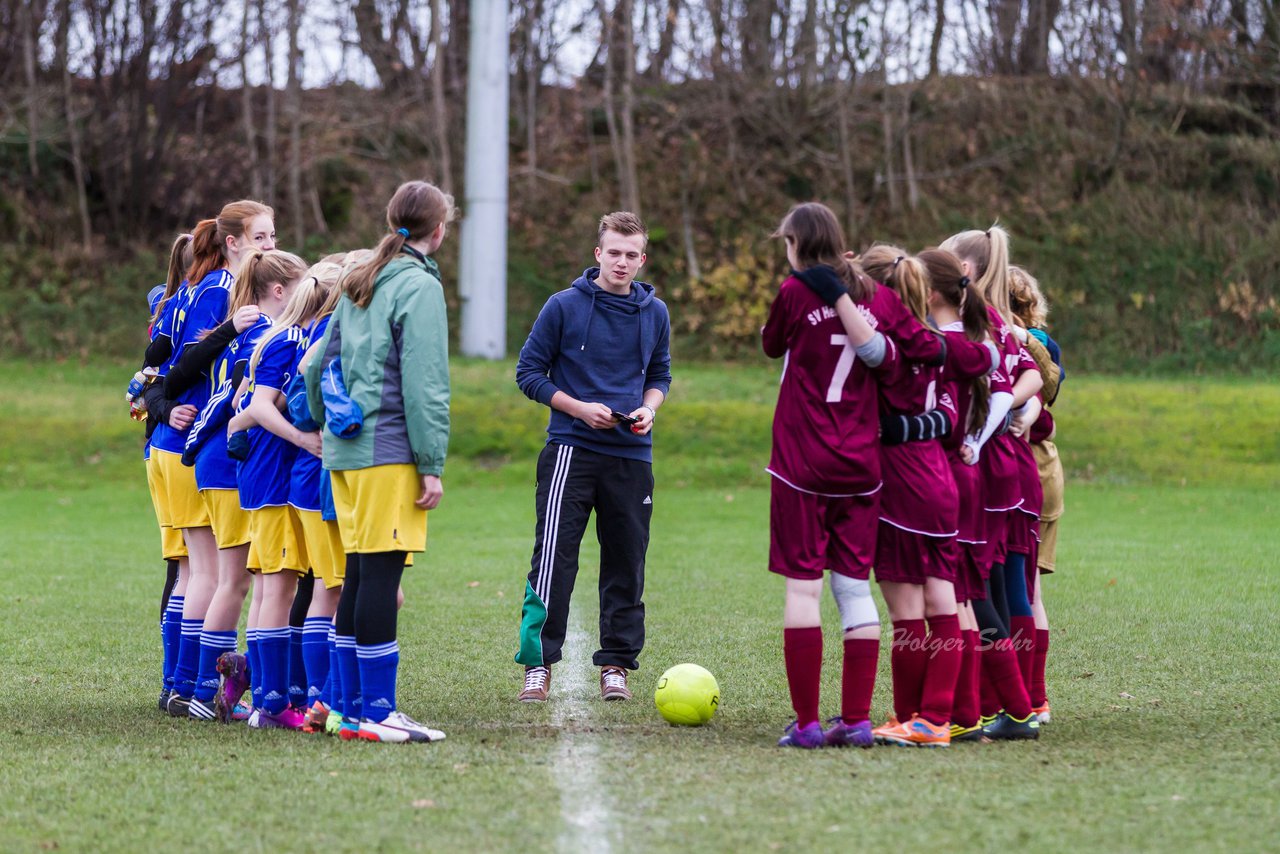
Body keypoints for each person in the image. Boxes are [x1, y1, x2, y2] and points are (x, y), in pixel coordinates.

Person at [305, 180, 453, 744]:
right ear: (439, 230)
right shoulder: (416, 285)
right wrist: (431, 461)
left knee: (360, 573)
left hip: (345, 453)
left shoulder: (358, 279)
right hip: (388, 451)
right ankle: (377, 712)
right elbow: (425, 384)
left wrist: (326, 423)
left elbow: (316, 365)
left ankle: (346, 709)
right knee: (378, 574)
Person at [513, 211, 672, 704]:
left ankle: (617, 666)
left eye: (632, 255)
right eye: (614, 253)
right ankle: (538, 665)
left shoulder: (656, 312)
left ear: (641, 259)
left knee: (627, 563)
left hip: (632, 457)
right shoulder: (562, 306)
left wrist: (648, 409)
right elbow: (528, 373)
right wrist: (578, 409)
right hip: (571, 451)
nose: (622, 262)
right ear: (598, 253)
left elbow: (660, 375)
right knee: (554, 561)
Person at [760, 203, 890, 748]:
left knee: (803, 590)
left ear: (795, 242)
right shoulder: (871, 293)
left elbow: (771, 344)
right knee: (855, 589)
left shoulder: (795, 293)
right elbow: (883, 354)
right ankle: (857, 720)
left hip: (803, 465)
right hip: (861, 463)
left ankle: (809, 724)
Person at [858, 245, 997, 748]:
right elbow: (986, 355)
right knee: (944, 600)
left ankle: (920, 717)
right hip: (940, 481)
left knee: (908, 616)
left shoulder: (888, 345)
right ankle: (938, 717)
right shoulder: (939, 344)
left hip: (901, 484)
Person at [149, 200, 275, 717]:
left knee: (191, 573)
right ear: (233, 243)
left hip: (178, 445)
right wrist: (166, 405)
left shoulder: (193, 291)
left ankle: (179, 687)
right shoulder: (222, 292)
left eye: (272, 236)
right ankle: (192, 688)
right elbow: (172, 370)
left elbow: (149, 374)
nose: (270, 246)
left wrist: (157, 402)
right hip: (194, 447)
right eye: (262, 237)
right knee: (211, 575)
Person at [942, 225, 1043, 740]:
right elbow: (1030, 379)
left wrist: (977, 439)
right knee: (997, 584)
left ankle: (1004, 706)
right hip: (1005, 464)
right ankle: (1006, 704)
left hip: (980, 466)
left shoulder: (965, 322)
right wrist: (1027, 406)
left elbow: (1011, 387)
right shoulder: (996, 320)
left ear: (964, 271)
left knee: (973, 586)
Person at [1009, 265, 1064, 723]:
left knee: (1019, 590)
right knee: (1030, 591)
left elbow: (1042, 414)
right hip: (1046, 471)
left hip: (1027, 471)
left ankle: (1029, 698)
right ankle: (1034, 697)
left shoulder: (1025, 346)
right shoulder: (1046, 344)